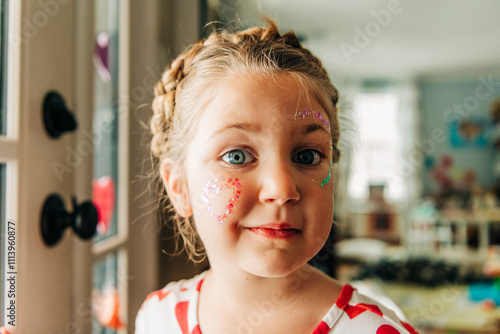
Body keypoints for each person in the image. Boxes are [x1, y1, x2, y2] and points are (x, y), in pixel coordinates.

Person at [136, 19, 418, 334]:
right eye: (236, 156)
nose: (281, 188)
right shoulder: (157, 317)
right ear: (179, 187)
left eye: (307, 156)